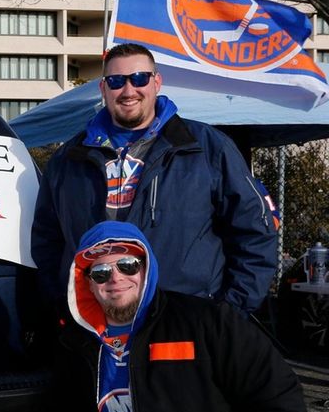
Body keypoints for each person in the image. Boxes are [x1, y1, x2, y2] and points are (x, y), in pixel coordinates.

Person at [27, 220, 311, 412]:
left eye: (127, 265)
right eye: (101, 272)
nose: (115, 278)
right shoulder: (78, 342)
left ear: (146, 267)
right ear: (86, 282)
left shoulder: (207, 323)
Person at [31, 43, 277, 314]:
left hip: (185, 318)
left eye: (139, 79)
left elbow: (255, 232)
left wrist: (230, 313)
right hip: (95, 321)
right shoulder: (69, 158)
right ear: (103, 89)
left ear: (156, 82)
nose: (128, 91)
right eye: (116, 82)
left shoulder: (206, 147)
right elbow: (47, 240)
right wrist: (61, 304)